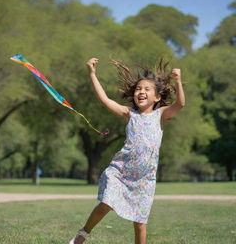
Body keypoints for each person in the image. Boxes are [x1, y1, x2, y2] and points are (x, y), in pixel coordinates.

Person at [69, 57, 185, 244]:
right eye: (139, 89)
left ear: (157, 97)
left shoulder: (160, 115)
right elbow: (105, 99)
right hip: (121, 171)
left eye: (147, 89)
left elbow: (180, 104)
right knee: (107, 202)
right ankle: (82, 235)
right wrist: (92, 73)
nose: (141, 92)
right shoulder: (129, 114)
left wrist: (178, 81)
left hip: (145, 178)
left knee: (140, 222)